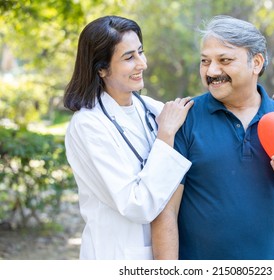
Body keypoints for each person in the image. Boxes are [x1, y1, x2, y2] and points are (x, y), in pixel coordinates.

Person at [152, 15, 274, 260]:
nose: (212, 71)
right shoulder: (186, 119)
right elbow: (164, 211)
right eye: (205, 61)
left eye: (224, 60)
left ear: (256, 62)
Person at [63, 15, 195, 259]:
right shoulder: (87, 126)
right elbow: (137, 204)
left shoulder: (150, 108)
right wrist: (164, 136)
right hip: (114, 255)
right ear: (101, 68)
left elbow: (202, 113)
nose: (142, 63)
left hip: (157, 254)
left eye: (140, 52)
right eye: (129, 57)